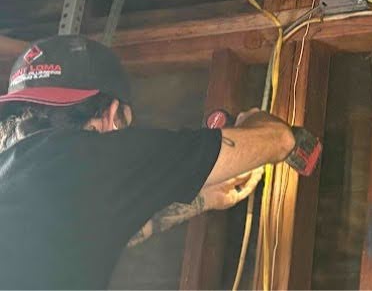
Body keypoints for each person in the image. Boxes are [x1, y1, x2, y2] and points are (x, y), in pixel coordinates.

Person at [0, 34, 319, 289]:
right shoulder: (91, 156)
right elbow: (281, 140)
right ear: (112, 115)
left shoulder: (16, 179)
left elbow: (115, 232)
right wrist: (256, 122)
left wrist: (203, 199)